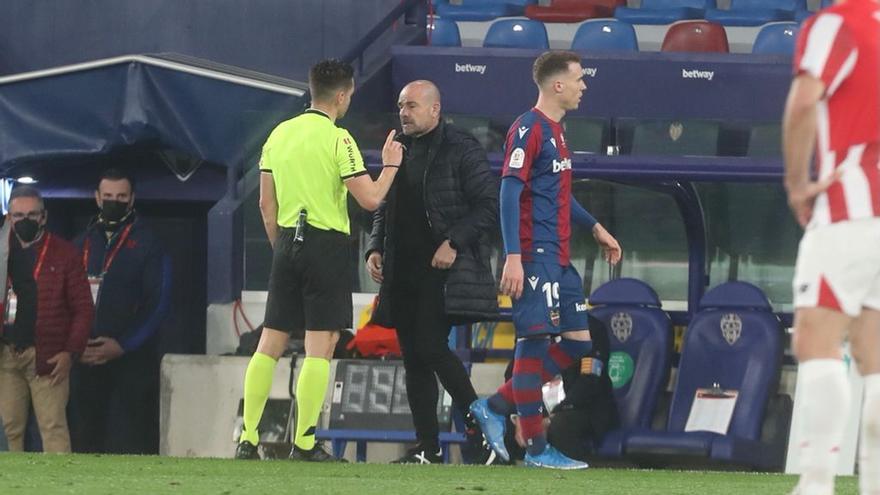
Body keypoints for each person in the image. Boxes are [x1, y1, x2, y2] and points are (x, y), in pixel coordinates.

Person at [235, 58, 403, 461]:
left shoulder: (279, 134)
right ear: (342, 96)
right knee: (321, 344)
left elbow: (264, 203)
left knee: (269, 342)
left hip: (286, 244)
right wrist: (391, 165)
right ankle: (305, 443)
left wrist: (282, 245)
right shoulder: (338, 139)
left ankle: (249, 438)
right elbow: (371, 198)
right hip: (325, 244)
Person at [469, 50, 622, 470]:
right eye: (578, 79)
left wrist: (595, 228)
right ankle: (537, 449)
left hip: (560, 255)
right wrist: (513, 257)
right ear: (558, 85)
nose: (583, 86)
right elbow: (508, 192)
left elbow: (559, 193)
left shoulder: (558, 131)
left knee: (580, 342)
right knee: (533, 346)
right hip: (533, 255)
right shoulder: (528, 128)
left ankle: (497, 406)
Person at [364, 80, 499, 464]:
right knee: (414, 359)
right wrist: (376, 245)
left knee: (430, 346)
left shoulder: (461, 147)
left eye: (412, 106)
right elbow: (381, 201)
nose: (404, 113)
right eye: (400, 105)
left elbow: (487, 206)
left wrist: (453, 241)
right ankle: (428, 447)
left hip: (443, 270)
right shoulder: (397, 149)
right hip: (402, 270)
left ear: (435, 110)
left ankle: (482, 420)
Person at [782, 2, 880, 494]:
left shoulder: (838, 23)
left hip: (851, 205)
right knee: (873, 352)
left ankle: (816, 481)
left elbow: (803, 103)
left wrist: (798, 184)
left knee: (816, 342)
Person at [69, 169, 171, 454]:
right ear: (97, 198)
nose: (115, 202)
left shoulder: (149, 244)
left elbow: (158, 304)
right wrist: (77, 345)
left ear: (132, 199)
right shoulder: (81, 243)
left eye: (121, 197)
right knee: (85, 439)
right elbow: (64, 301)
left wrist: (123, 345)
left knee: (133, 438)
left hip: (132, 360)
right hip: (86, 357)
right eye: (109, 196)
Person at [0, 186, 92, 453]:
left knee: (53, 429)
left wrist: (70, 352)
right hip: (6, 354)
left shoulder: (65, 253)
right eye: (18, 215)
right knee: (8, 431)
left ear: (44, 217)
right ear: (9, 217)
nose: (24, 221)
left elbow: (84, 308)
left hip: (48, 356)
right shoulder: (2, 253)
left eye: (32, 214)